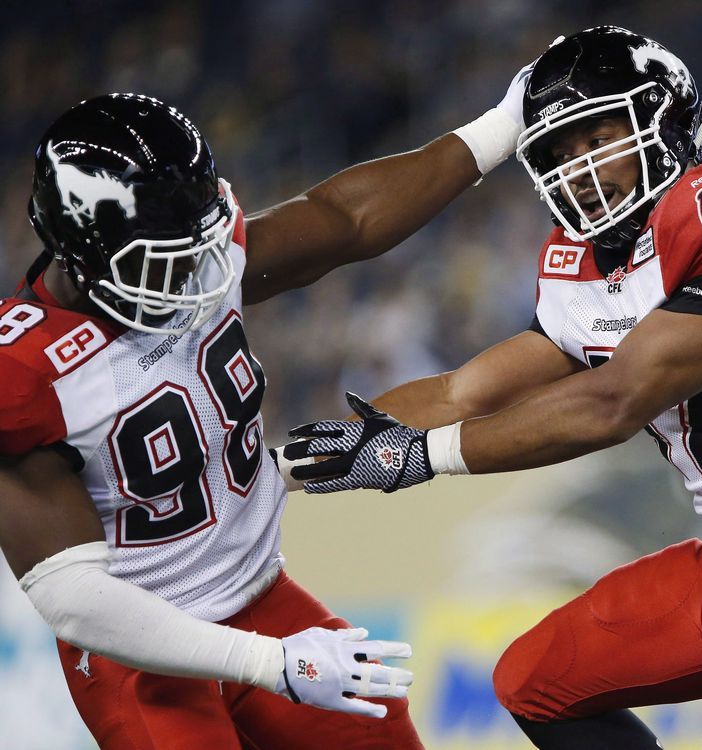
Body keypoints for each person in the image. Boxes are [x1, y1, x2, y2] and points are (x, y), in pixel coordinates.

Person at [277, 26, 702, 749]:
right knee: (537, 680)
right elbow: (463, 393)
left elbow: (615, 402)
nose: (578, 169)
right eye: (559, 153)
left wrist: (421, 457)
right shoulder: (583, 264)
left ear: (664, 120)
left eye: (595, 138)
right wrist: (291, 465)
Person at [0, 64, 533, 750]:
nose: (201, 267)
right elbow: (75, 602)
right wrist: (271, 663)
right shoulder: (25, 373)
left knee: (382, 734)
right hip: (135, 656)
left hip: (260, 595)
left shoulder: (185, 260)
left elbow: (346, 220)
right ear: (84, 255)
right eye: (168, 258)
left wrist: (504, 126)